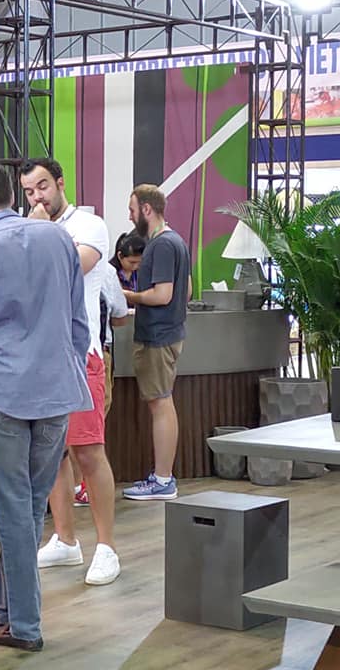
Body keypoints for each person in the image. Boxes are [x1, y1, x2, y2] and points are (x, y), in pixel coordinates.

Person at [0, 161, 92, 652]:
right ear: (14, 195)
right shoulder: (59, 240)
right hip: (57, 389)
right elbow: (79, 324)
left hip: (4, 390)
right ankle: (9, 610)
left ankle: (25, 625)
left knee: (14, 506)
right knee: (29, 506)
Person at [21, 158, 120, 586]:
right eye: (29, 191)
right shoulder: (33, 227)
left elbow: (66, 270)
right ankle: (64, 540)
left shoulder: (89, 225)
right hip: (42, 357)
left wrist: (39, 232)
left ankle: (107, 547)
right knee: (51, 454)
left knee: (88, 452)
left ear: (60, 183)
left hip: (81, 355)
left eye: (42, 186)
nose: (37, 197)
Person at [122, 183, 192, 501]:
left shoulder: (161, 245)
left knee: (160, 403)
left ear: (147, 209)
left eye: (132, 209)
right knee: (162, 401)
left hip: (157, 335)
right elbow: (185, 291)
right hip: (170, 333)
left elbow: (163, 295)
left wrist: (127, 295)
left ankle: (163, 479)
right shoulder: (177, 241)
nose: (130, 216)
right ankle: (162, 477)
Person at [74, 265, 128, 507]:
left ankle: (77, 486)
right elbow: (120, 316)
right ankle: (81, 486)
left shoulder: (49, 261)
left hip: (61, 355)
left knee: (65, 430)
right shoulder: (105, 271)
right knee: (91, 430)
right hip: (95, 351)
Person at [111, 231, 147, 303]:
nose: (136, 266)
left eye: (139, 262)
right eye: (132, 262)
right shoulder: (110, 273)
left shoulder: (142, 271)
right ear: (120, 256)